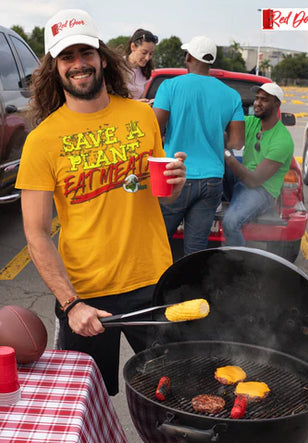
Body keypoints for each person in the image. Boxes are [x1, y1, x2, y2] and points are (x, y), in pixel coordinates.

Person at [15, 8, 186, 396]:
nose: (79, 64)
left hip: (153, 281)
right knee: (85, 402)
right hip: (86, 293)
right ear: (54, 67)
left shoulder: (142, 117)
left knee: (172, 390)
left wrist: (175, 183)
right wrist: (71, 303)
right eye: (67, 57)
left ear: (102, 57)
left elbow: (160, 191)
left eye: (85, 53)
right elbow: (36, 233)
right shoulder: (42, 140)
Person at [153, 35, 244, 255]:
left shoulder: (170, 87)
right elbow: (237, 141)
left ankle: (157, 287)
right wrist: (213, 135)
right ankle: (191, 288)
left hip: (176, 177)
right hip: (212, 180)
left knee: (158, 243)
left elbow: (153, 128)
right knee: (195, 250)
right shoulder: (231, 95)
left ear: (189, 57)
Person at [222, 82, 294, 247]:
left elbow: (254, 181)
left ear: (276, 104)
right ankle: (202, 193)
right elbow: (223, 120)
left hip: (261, 191)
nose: (257, 103)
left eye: (264, 100)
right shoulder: (252, 122)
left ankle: (237, 265)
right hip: (241, 182)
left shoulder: (282, 140)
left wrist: (226, 154)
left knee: (230, 223)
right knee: (218, 134)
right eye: (256, 98)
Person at [124, 28, 158, 102]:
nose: (147, 58)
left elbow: (141, 99)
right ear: (133, 47)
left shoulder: (146, 72)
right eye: (144, 52)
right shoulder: (117, 66)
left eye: (151, 54)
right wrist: (136, 104)